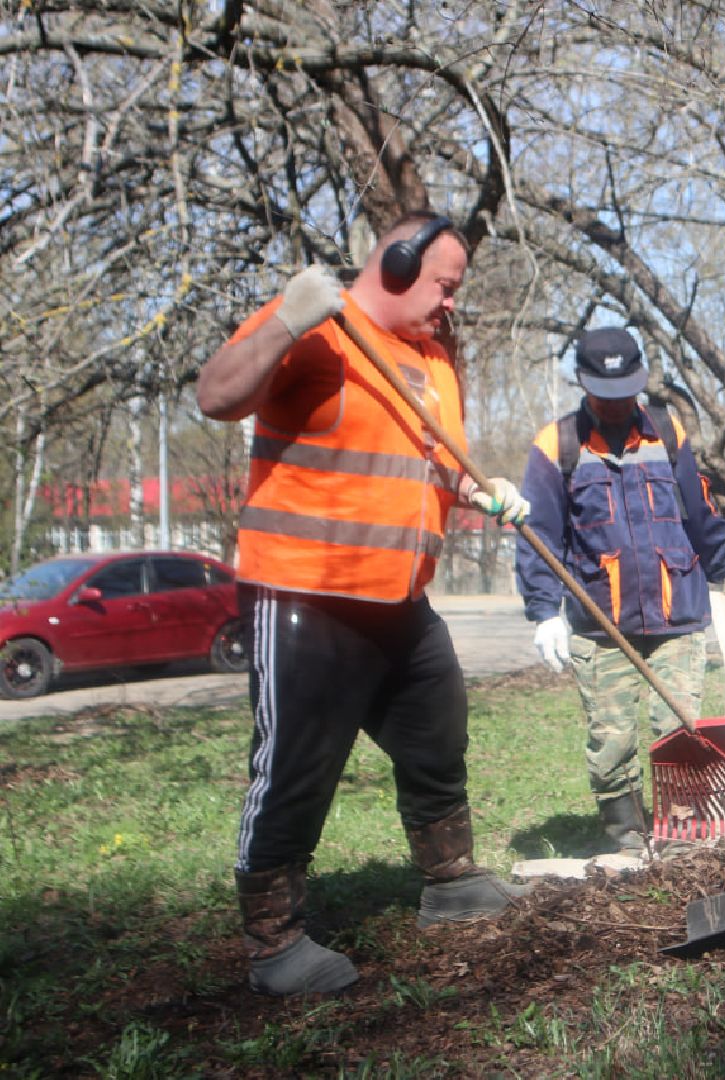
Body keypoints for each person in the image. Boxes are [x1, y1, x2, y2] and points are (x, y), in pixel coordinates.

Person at [195, 211, 533, 996]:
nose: (451, 302)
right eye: (444, 285)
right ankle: (275, 946)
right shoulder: (319, 328)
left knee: (437, 733)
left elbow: (430, 463)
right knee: (295, 765)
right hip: (308, 593)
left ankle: (451, 883)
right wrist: (286, 320)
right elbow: (216, 395)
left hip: (399, 601)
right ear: (398, 264)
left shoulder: (432, 361)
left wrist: (481, 490)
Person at [516, 326, 725, 857]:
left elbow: (700, 514)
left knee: (681, 732)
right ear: (583, 384)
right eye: (604, 396)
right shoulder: (557, 445)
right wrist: (545, 611)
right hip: (600, 622)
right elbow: (538, 535)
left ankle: (683, 838)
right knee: (612, 740)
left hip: (677, 615)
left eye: (626, 393)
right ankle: (628, 840)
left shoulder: (666, 431)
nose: (617, 405)